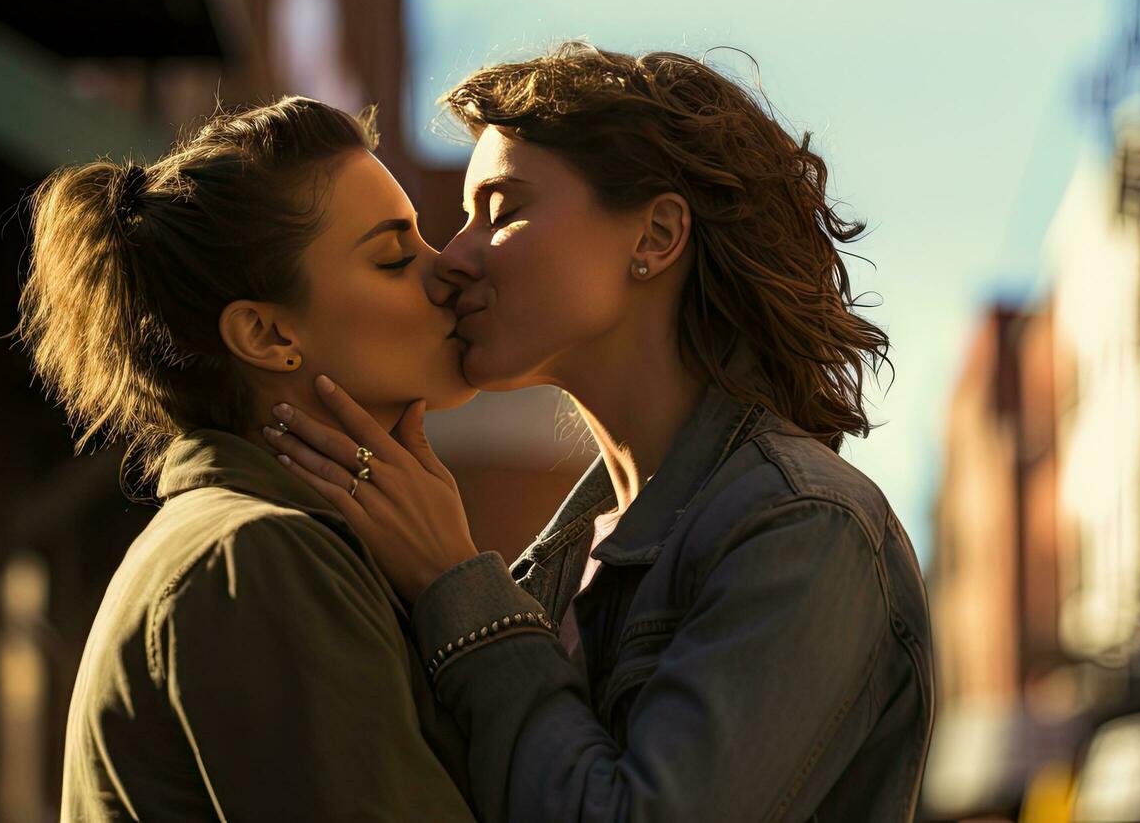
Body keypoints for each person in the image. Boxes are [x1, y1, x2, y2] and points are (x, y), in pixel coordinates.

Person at [265, 43, 936, 822]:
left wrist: (458, 586)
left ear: (653, 237)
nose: (451, 260)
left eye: (503, 210)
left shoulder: (803, 527)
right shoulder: (560, 557)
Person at [17, 96, 478, 821]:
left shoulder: (271, 545)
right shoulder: (257, 556)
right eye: (394, 257)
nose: (448, 267)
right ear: (265, 334)